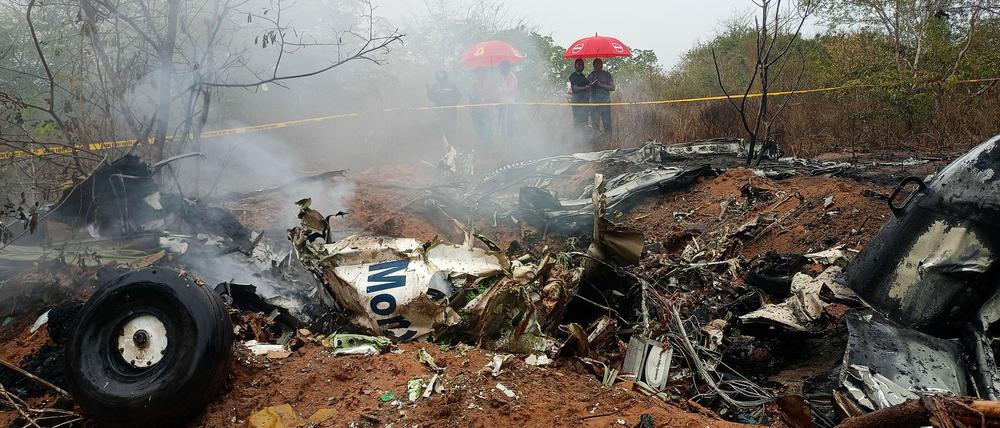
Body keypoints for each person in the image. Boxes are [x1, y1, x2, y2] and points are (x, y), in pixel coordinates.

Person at [426, 70, 461, 143]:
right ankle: (445, 144)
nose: (441, 78)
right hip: (440, 111)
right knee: (441, 128)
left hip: (451, 111)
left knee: (451, 128)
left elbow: (458, 96)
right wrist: (428, 90)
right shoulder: (435, 86)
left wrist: (452, 103)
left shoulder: (452, 85)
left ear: (446, 76)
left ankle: (452, 143)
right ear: (437, 77)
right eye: (439, 77)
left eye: (442, 76)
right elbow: (431, 97)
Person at [587, 58, 616, 133]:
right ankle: (597, 139)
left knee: (607, 124)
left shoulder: (607, 75)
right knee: (595, 126)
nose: (597, 66)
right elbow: (586, 89)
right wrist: (591, 85)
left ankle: (608, 140)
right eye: (595, 64)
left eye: (599, 64)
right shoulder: (590, 75)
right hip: (594, 104)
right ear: (593, 65)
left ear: (602, 65)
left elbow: (612, 88)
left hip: (605, 103)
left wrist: (600, 85)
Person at [568, 58, 592, 125]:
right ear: (576, 66)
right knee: (578, 120)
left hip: (585, 101)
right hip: (577, 101)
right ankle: (577, 131)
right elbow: (575, 88)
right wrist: (586, 88)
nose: (582, 66)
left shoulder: (582, 75)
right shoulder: (573, 76)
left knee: (585, 120)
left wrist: (592, 83)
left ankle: (583, 131)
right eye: (580, 65)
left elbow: (588, 83)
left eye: (583, 65)